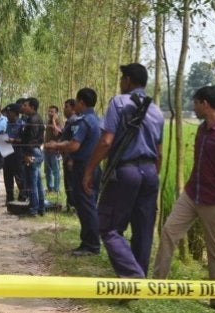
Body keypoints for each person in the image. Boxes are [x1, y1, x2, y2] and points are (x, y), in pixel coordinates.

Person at [153, 86, 215, 313]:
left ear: (205, 104)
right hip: (192, 195)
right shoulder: (202, 130)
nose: (193, 106)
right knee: (169, 231)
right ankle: (155, 284)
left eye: (195, 102)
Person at [83, 63, 164, 278]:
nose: (120, 84)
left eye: (122, 80)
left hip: (126, 172)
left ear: (127, 80)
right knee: (143, 230)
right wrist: (153, 176)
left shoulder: (118, 102)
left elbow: (106, 141)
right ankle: (138, 282)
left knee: (108, 227)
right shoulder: (156, 111)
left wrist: (90, 170)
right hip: (150, 173)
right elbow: (160, 153)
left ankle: (132, 276)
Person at [46, 89, 102, 256]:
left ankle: (91, 245)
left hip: (84, 166)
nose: (75, 105)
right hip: (93, 165)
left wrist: (55, 145)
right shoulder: (96, 120)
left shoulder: (84, 122)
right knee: (87, 204)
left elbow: (74, 146)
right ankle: (88, 242)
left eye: (76, 102)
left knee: (86, 205)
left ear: (82, 103)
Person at [20, 97, 46, 216]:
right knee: (37, 181)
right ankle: (41, 208)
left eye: (25, 105)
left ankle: (34, 209)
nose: (23, 107)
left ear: (32, 107)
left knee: (32, 182)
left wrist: (27, 155)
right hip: (34, 150)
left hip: (32, 152)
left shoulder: (33, 120)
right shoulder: (33, 118)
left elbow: (31, 139)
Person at [2, 103, 26, 204]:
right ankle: (9, 198)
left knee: (19, 176)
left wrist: (14, 140)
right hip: (7, 152)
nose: (7, 115)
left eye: (9, 113)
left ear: (16, 113)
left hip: (17, 153)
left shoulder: (22, 124)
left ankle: (22, 197)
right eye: (6, 113)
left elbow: (24, 140)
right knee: (7, 176)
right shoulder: (8, 124)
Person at [60, 99, 78, 212]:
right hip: (66, 156)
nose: (64, 109)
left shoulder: (75, 121)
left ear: (73, 108)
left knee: (72, 182)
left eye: (66, 107)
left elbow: (74, 141)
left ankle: (73, 206)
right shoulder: (69, 122)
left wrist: (71, 158)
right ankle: (70, 204)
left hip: (71, 157)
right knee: (68, 181)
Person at [44, 105, 63, 193]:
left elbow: (56, 134)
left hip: (55, 151)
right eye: (49, 111)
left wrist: (54, 121)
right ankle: (50, 188)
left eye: (52, 112)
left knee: (56, 171)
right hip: (46, 151)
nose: (50, 113)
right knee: (48, 171)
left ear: (56, 113)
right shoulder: (48, 122)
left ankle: (56, 189)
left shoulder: (58, 122)